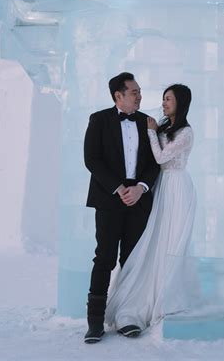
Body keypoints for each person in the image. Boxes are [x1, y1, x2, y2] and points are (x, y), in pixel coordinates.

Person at [105, 83, 196, 334]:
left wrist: (151, 134)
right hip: (161, 186)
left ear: (181, 102)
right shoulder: (164, 126)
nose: (164, 103)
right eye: (164, 98)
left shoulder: (186, 132)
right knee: (154, 239)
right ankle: (135, 297)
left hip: (177, 186)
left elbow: (160, 157)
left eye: (169, 99)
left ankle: (165, 297)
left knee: (171, 240)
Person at [83, 72, 160, 344]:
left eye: (139, 91)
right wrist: (119, 188)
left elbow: (155, 162)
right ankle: (95, 322)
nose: (140, 95)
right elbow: (91, 159)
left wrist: (140, 188)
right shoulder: (99, 119)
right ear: (119, 95)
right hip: (108, 198)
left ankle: (129, 317)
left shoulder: (148, 123)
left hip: (139, 199)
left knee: (132, 259)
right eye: (134, 92)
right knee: (104, 258)